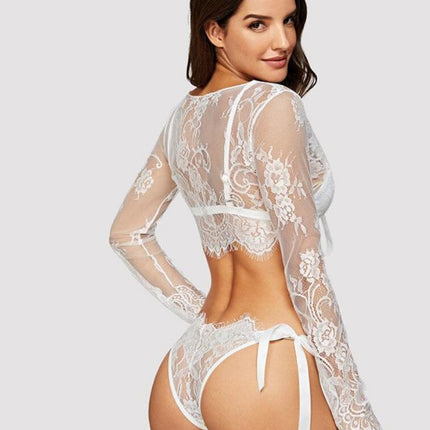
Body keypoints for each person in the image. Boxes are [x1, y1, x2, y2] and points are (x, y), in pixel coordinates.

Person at [108, 0, 382, 429]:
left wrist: (208, 316)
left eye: (289, 21)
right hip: (265, 362)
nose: (283, 40)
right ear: (215, 32)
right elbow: (305, 266)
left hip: (188, 362)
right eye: (258, 25)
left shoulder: (182, 118)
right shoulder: (272, 104)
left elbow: (127, 233)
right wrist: (354, 410)